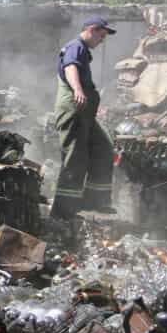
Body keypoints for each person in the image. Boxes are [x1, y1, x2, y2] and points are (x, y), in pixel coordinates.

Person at [49, 15, 117, 219]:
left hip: (84, 114)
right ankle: (63, 210)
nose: (102, 40)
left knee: (103, 148)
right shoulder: (75, 46)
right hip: (74, 110)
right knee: (75, 157)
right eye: (101, 35)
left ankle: (96, 201)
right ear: (91, 30)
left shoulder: (83, 50)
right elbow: (71, 67)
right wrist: (78, 89)